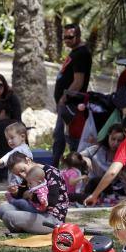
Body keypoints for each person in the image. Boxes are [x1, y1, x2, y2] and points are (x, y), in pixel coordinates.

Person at [0, 151, 69, 233]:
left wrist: (31, 196)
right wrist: (15, 192)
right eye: (19, 175)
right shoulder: (29, 175)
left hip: (51, 218)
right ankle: (25, 226)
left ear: (28, 161)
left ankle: (24, 227)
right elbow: (22, 195)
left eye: (23, 170)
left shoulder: (51, 173)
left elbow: (51, 202)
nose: (23, 175)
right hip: (33, 211)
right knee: (2, 209)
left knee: (8, 216)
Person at [52, 23, 92, 166]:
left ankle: (72, 168)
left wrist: (64, 98)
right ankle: (56, 167)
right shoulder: (75, 52)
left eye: (70, 37)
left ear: (79, 36)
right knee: (59, 138)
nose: (67, 40)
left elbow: (78, 82)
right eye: (65, 37)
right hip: (67, 103)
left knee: (69, 138)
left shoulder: (81, 53)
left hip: (71, 104)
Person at [78, 124, 126, 199]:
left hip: (112, 189)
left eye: (119, 141)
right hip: (92, 186)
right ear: (108, 137)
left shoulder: (125, 155)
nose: (115, 143)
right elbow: (76, 156)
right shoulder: (97, 149)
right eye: (113, 139)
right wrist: (85, 159)